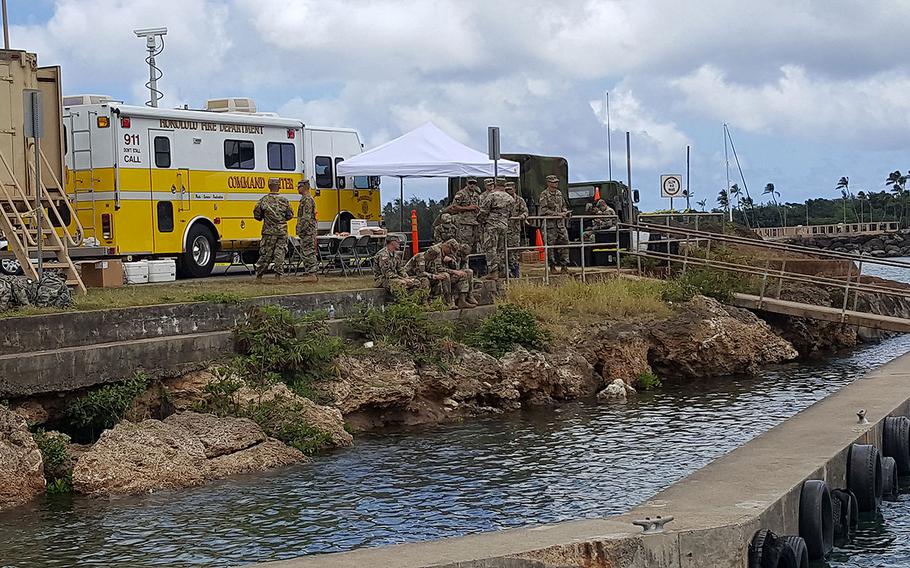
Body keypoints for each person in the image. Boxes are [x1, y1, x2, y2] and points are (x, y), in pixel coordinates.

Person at [253, 178, 294, 280]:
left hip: (268, 232)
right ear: (279, 186)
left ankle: (259, 275)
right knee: (280, 253)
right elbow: (290, 215)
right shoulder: (285, 201)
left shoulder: (263, 200)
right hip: (282, 232)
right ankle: (278, 276)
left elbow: (257, 215)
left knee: (266, 253)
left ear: (269, 186)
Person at [477, 178, 514, 279]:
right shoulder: (510, 198)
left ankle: (493, 272)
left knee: (491, 248)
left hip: (492, 226)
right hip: (504, 225)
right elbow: (511, 213)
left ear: (496, 184)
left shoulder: (492, 196)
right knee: (501, 249)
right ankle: (502, 270)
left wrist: (481, 221)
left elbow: (483, 211)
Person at [537, 174, 571, 273]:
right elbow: (544, 210)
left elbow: (563, 205)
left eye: (556, 182)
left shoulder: (559, 193)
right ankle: (552, 266)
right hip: (549, 226)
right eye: (553, 182)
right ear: (548, 183)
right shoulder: (544, 194)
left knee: (565, 243)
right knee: (550, 247)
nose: (555, 184)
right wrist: (558, 214)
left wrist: (565, 212)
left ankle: (564, 266)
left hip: (560, 224)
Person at [445, 178, 481, 253]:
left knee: (475, 243)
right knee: (464, 245)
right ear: (467, 183)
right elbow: (453, 207)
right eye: (470, 183)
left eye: (474, 183)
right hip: (464, 224)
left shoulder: (476, 195)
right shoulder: (461, 194)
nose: (472, 185)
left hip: (475, 223)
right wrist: (468, 208)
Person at [295, 179, 319, 281]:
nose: (297, 189)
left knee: (308, 251)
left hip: (307, 231)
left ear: (304, 187)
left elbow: (306, 218)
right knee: (305, 251)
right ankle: (308, 272)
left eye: (299, 186)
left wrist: (301, 229)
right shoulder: (305, 199)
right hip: (307, 231)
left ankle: (312, 274)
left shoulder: (307, 200)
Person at [444, 239, 478, 307]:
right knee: (463, 275)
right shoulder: (450, 254)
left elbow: (465, 268)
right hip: (449, 275)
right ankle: (461, 301)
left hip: (457, 274)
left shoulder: (464, 257)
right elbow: (453, 268)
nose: (464, 256)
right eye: (462, 254)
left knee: (469, 272)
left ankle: (469, 295)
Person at [505, 181, 529, 278]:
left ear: (514, 189)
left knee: (514, 251)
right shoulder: (502, 199)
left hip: (514, 230)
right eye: (506, 190)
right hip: (503, 229)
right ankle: (506, 271)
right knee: (503, 252)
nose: (508, 191)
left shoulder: (519, 200)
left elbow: (525, 211)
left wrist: (522, 216)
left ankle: (515, 272)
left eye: (510, 189)